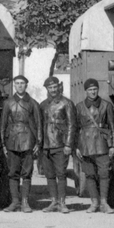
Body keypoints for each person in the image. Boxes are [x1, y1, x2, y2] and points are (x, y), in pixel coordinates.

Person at [0, 74, 43, 213]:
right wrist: (3, 144)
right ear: (14, 85)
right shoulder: (8, 103)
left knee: (27, 173)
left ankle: (25, 202)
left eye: (22, 83)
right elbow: (3, 124)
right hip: (12, 140)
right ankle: (15, 202)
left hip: (28, 140)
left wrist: (38, 142)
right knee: (13, 173)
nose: (19, 86)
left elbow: (39, 124)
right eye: (17, 83)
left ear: (26, 85)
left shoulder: (33, 103)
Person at [75, 79, 114, 213]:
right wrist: (76, 146)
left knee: (104, 174)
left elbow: (112, 127)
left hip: (102, 144)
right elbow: (76, 128)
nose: (93, 92)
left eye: (95, 89)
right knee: (90, 175)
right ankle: (94, 202)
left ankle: (104, 202)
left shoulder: (106, 105)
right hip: (85, 145)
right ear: (86, 91)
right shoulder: (80, 106)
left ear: (98, 90)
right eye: (90, 90)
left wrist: (112, 145)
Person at [38, 76, 77, 213]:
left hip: (60, 144)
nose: (53, 90)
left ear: (59, 87)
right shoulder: (42, 105)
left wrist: (68, 145)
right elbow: (40, 126)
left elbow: (72, 125)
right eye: (50, 88)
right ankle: (53, 201)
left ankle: (62, 203)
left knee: (61, 174)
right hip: (46, 145)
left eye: (55, 87)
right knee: (49, 175)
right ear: (47, 89)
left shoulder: (67, 103)